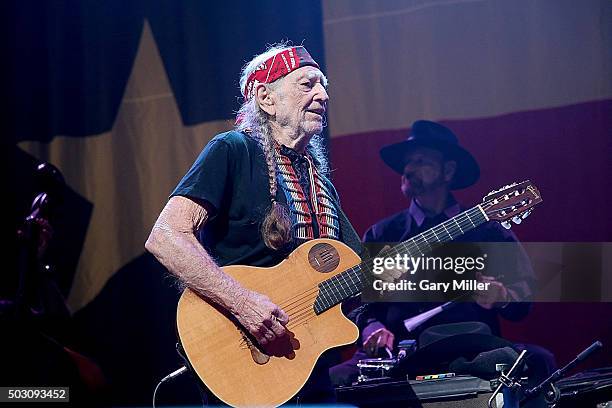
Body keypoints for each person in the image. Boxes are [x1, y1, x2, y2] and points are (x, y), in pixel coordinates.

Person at [145, 44, 363, 403]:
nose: (323, 95)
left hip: (309, 371)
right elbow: (166, 236)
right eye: (308, 84)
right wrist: (244, 304)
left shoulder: (320, 182)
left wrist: (462, 265)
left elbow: (365, 271)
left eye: (324, 86)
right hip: (244, 360)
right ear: (266, 98)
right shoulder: (232, 150)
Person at [329, 120, 556, 406]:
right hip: (402, 353)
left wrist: (502, 297)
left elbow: (522, 301)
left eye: (420, 161)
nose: (408, 170)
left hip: (472, 348)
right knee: (329, 382)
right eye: (407, 163)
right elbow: (357, 302)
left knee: (540, 363)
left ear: (448, 170)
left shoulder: (488, 231)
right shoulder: (383, 234)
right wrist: (371, 327)